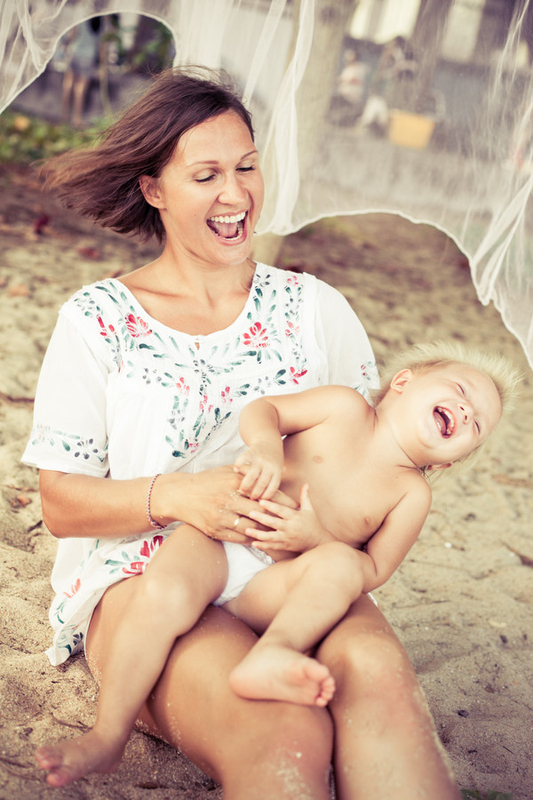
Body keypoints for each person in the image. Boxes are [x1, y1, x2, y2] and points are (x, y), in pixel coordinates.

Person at [25, 66, 463, 799]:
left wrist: (314, 539)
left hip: (296, 571)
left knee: (380, 680)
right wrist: (179, 496)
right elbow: (61, 504)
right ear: (154, 189)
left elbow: (379, 467)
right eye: (206, 176)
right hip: (148, 577)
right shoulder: (97, 319)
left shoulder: (315, 309)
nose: (236, 195)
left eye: (247, 167)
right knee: (282, 731)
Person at [32, 338, 517, 785]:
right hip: (224, 535)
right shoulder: (343, 407)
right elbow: (265, 410)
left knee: (341, 566)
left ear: (449, 461)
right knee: (164, 591)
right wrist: (266, 446)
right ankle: (108, 733)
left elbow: (373, 570)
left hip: (276, 582)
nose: (465, 410)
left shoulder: (411, 494)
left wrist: (316, 538)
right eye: (460, 391)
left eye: (477, 424)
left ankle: (273, 652)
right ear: (404, 382)